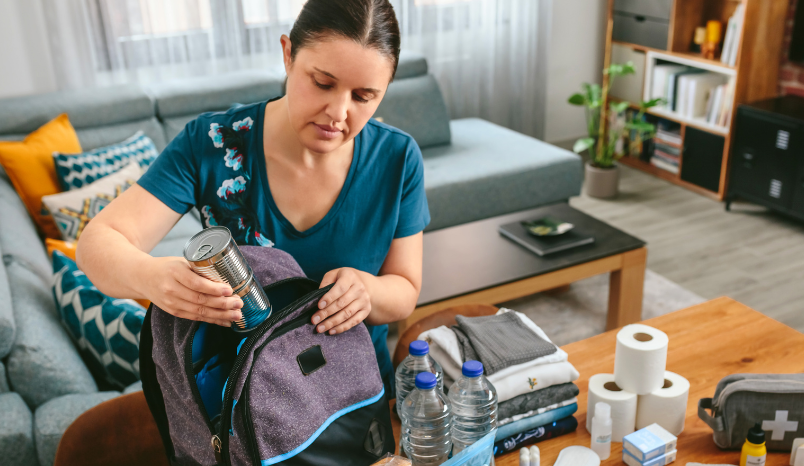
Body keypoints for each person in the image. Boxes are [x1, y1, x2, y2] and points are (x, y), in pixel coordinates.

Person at [77, 0, 428, 397]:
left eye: (363, 96)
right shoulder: (210, 143)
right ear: (288, 54)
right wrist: (153, 278)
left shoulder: (397, 159)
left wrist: (368, 291)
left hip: (355, 399)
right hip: (245, 408)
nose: (338, 112)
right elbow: (96, 242)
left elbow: (405, 290)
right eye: (323, 83)